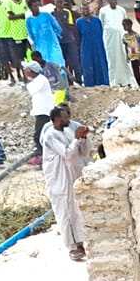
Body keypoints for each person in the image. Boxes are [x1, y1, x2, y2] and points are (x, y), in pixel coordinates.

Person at [40, 103, 90, 260]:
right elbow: (67, 154)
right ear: (55, 120)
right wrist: (76, 139)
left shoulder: (68, 131)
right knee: (64, 212)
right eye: (64, 117)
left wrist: (83, 138)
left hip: (73, 177)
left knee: (76, 210)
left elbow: (83, 152)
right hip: (59, 180)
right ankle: (72, 247)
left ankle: (81, 242)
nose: (68, 119)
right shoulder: (50, 136)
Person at [22, 61, 53, 157]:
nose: (24, 70)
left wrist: (26, 80)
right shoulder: (36, 80)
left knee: (39, 136)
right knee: (40, 135)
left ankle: (43, 156)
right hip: (39, 111)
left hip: (44, 112)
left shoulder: (41, 80)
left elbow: (32, 90)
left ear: (31, 71)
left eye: (26, 69)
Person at [26, 0, 64, 71]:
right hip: (40, 46)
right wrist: (37, 42)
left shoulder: (46, 15)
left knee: (58, 62)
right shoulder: (29, 20)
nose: (37, 8)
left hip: (52, 44)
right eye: (35, 6)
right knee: (44, 64)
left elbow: (57, 27)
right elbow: (31, 34)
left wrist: (55, 36)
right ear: (30, 8)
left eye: (37, 6)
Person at [73, 6, 107, 85]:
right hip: (86, 48)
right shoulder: (78, 22)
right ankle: (90, 85)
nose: (85, 11)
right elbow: (78, 36)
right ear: (81, 11)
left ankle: (102, 83)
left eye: (87, 9)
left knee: (100, 65)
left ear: (90, 10)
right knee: (88, 66)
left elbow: (100, 32)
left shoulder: (97, 20)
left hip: (98, 47)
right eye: (83, 9)